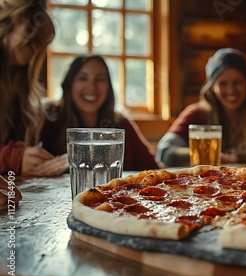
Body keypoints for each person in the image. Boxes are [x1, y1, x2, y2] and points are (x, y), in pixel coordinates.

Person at [156, 48, 246, 166]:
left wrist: (240, 168)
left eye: (238, 82)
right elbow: (164, 152)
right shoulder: (196, 114)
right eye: (223, 83)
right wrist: (207, 154)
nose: (231, 90)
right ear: (212, 87)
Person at [40, 55, 160, 171]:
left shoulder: (121, 123)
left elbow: (153, 169)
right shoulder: (49, 119)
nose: (92, 87)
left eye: (100, 79)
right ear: (69, 84)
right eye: (82, 78)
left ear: (109, 87)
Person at [0, 0, 68, 205]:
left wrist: (33, 163)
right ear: (12, 20)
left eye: (41, 42)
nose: (35, 46)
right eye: (31, 31)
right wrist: (13, 158)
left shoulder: (23, 89)